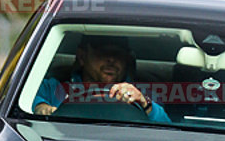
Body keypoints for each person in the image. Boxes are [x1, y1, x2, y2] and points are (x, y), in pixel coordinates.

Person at [33, 33, 171, 124]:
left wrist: (145, 104)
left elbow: (168, 133)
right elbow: (24, 104)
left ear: (126, 59)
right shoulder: (52, 88)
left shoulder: (145, 95)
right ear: (82, 57)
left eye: (118, 54)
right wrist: (41, 107)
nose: (111, 59)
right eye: (103, 52)